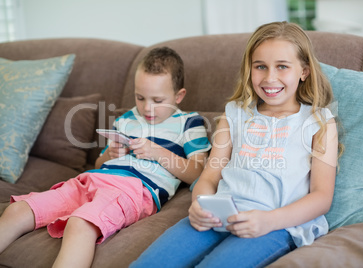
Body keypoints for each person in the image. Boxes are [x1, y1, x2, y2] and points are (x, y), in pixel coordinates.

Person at [131, 21, 340, 268]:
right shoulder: (234, 114)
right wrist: (199, 204)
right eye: (260, 66)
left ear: (303, 71)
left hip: (274, 224)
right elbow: (209, 177)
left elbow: (321, 197)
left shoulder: (319, 121)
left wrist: (269, 221)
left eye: (282, 66)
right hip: (219, 214)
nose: (270, 78)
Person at [0, 47, 211, 268]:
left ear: (179, 96)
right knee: (18, 210)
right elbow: (100, 163)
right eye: (140, 98)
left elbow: (198, 173)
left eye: (158, 100)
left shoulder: (189, 123)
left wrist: (159, 153)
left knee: (80, 223)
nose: (147, 108)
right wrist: (111, 153)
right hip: (91, 179)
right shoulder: (127, 118)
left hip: (134, 189)